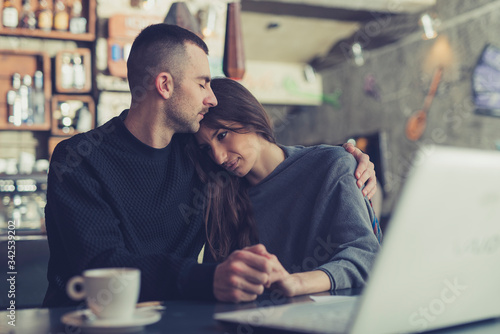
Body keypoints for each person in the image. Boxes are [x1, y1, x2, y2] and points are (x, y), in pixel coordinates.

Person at [43, 23, 377, 307]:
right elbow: (100, 265)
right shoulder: (79, 159)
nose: (212, 97)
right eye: (202, 82)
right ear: (164, 85)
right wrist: (206, 278)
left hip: (176, 322)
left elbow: (270, 162)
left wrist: (344, 159)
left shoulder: (199, 154)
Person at [191, 77, 382, 298]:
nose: (218, 156)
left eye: (222, 135)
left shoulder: (332, 165)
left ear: (249, 116)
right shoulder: (221, 199)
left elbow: (368, 256)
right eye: (206, 149)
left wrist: (296, 283)